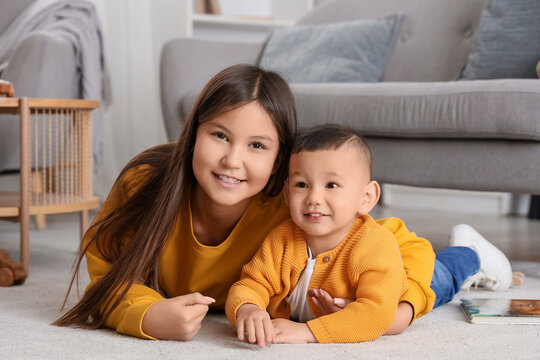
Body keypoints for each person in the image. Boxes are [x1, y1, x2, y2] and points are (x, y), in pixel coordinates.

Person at [53, 65, 511, 342]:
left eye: (257, 146)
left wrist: (402, 310)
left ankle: (470, 253)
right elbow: (107, 276)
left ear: (279, 163)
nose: (232, 160)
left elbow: (394, 242)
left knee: (435, 276)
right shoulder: (145, 184)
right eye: (219, 136)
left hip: (356, 281)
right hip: (301, 294)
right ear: (193, 133)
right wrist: (147, 314)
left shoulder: (289, 204)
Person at [226, 124, 516, 346]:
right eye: (302, 184)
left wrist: (308, 331)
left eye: (331, 185)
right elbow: (252, 282)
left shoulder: (373, 247)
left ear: (366, 197)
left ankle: (470, 252)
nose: (314, 197)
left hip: (402, 271)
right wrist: (248, 308)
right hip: (374, 256)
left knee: (440, 281)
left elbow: (378, 316)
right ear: (287, 192)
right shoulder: (282, 239)